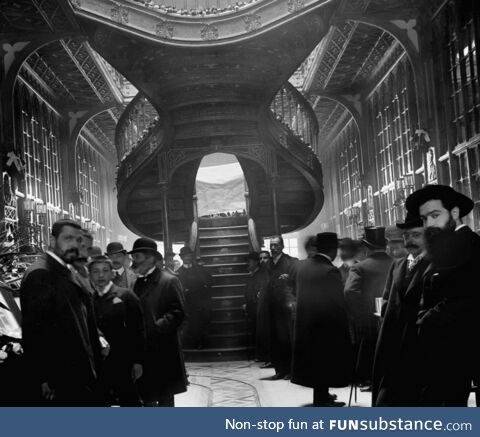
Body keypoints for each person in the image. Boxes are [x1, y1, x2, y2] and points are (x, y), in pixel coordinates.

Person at [405, 184, 480, 406]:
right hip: (446, 348)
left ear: (454, 213)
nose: (429, 224)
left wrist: (428, 318)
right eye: (424, 219)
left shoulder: (471, 246)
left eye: (435, 215)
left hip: (463, 345)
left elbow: (469, 296)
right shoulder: (445, 245)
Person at [20, 219, 103, 405]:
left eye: (78, 240)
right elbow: (34, 332)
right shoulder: (41, 274)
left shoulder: (63, 270)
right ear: (52, 240)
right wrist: (43, 377)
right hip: (61, 378)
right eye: (68, 238)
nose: (74, 245)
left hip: (74, 373)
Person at [372, 213, 429, 406]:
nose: (409, 240)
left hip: (420, 344)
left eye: (416, 235)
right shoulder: (398, 265)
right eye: (406, 236)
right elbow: (387, 298)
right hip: (394, 343)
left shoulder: (435, 264)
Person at [292, 233, 352, 407]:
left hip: (306, 323)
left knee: (314, 362)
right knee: (325, 362)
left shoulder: (303, 267)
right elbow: (337, 302)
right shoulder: (329, 270)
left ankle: (322, 395)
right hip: (326, 324)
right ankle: (321, 399)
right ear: (333, 250)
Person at [130, 237, 187, 406]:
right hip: (144, 349)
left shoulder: (169, 281)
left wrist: (157, 327)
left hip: (163, 349)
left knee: (164, 396)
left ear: (151, 258)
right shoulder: (137, 283)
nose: (134, 262)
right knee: (147, 395)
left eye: (137, 257)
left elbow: (178, 312)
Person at [89, 255, 145, 406]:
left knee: (129, 401)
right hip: (100, 364)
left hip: (124, 361)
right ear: (90, 275)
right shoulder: (89, 301)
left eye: (105, 271)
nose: (100, 275)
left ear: (112, 273)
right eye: (95, 271)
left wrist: (138, 361)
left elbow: (138, 329)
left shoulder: (126, 295)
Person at [344, 227, 393, 391]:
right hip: (392, 314)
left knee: (370, 349)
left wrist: (361, 312)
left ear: (366, 247)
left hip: (369, 318)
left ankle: (373, 381)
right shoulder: (397, 263)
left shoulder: (360, 268)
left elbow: (350, 291)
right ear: (385, 245)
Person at [265, 235, 297, 380]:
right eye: (271, 245)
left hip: (286, 307)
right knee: (275, 339)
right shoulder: (267, 264)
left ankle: (291, 370)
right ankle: (280, 370)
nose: (273, 248)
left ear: (282, 246)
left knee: (287, 339)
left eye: (276, 245)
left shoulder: (291, 263)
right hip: (272, 307)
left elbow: (295, 284)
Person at [177, 246, 212, 349]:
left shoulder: (199, 269)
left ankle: (202, 341)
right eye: (186, 256)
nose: (188, 257)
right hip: (188, 302)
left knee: (204, 320)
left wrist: (205, 288)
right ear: (182, 258)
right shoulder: (179, 272)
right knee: (192, 323)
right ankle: (194, 343)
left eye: (189, 255)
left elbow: (209, 281)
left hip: (202, 300)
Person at [244, 252, 271, 361]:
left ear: (255, 262)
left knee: (262, 332)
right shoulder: (252, 274)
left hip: (258, 307)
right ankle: (259, 354)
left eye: (249, 261)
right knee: (255, 331)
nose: (247, 264)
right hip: (252, 308)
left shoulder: (262, 274)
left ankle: (263, 356)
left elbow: (261, 291)